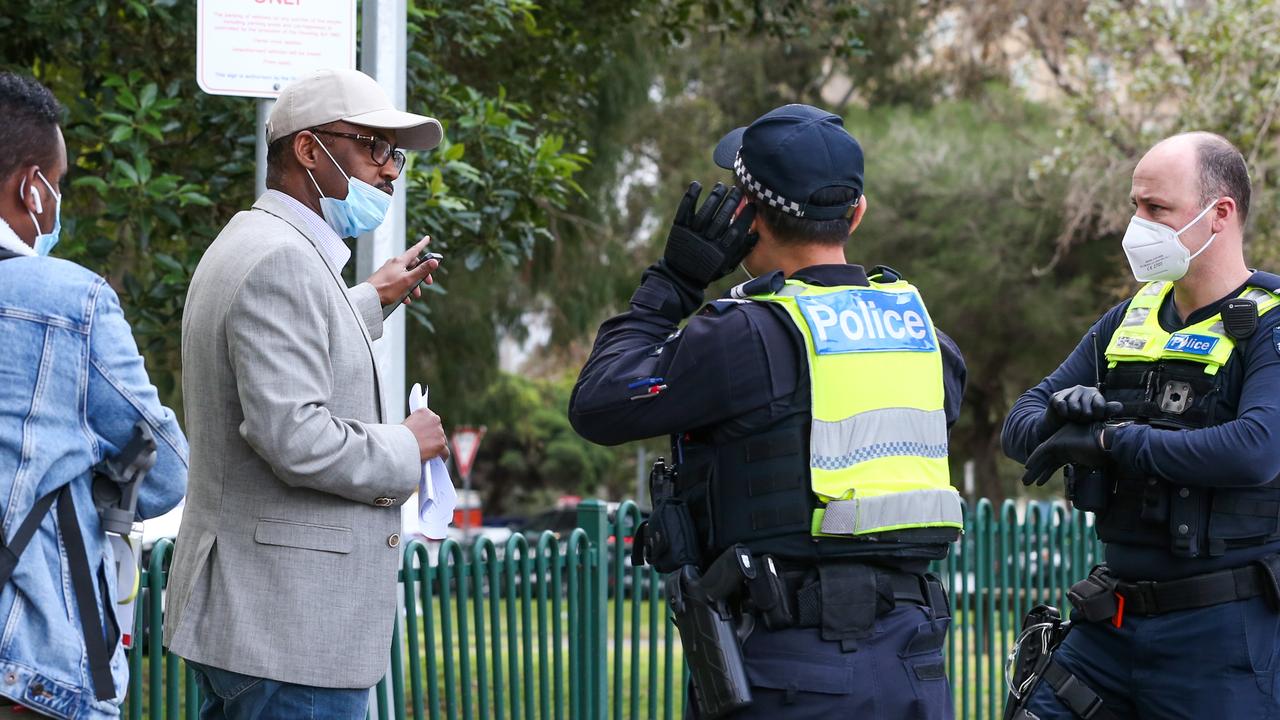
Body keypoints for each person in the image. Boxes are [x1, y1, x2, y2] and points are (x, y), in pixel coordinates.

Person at [569, 104, 967, 718]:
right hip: (914, 662)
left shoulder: (743, 335)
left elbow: (599, 404)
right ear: (856, 214)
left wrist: (675, 280)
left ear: (746, 218)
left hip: (792, 667)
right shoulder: (926, 339)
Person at [163, 68, 450, 719]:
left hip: (268, 630)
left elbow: (281, 353)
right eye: (373, 146)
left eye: (395, 152)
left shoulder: (261, 246)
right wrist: (408, 447)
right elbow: (294, 436)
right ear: (308, 149)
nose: (391, 170)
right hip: (286, 637)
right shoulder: (281, 261)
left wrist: (367, 302)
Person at [1002, 132, 1280, 719]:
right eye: (1135, 206)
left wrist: (1110, 441)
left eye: (1156, 210)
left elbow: (1256, 449)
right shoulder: (1126, 320)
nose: (1137, 225)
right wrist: (1064, 414)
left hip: (1219, 638)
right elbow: (1020, 423)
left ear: (1219, 215)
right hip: (1110, 625)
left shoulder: (1270, 324)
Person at [0, 72, 188, 719]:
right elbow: (165, 469)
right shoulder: (67, 302)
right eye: (60, 184)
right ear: (32, 186)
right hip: (26, 660)